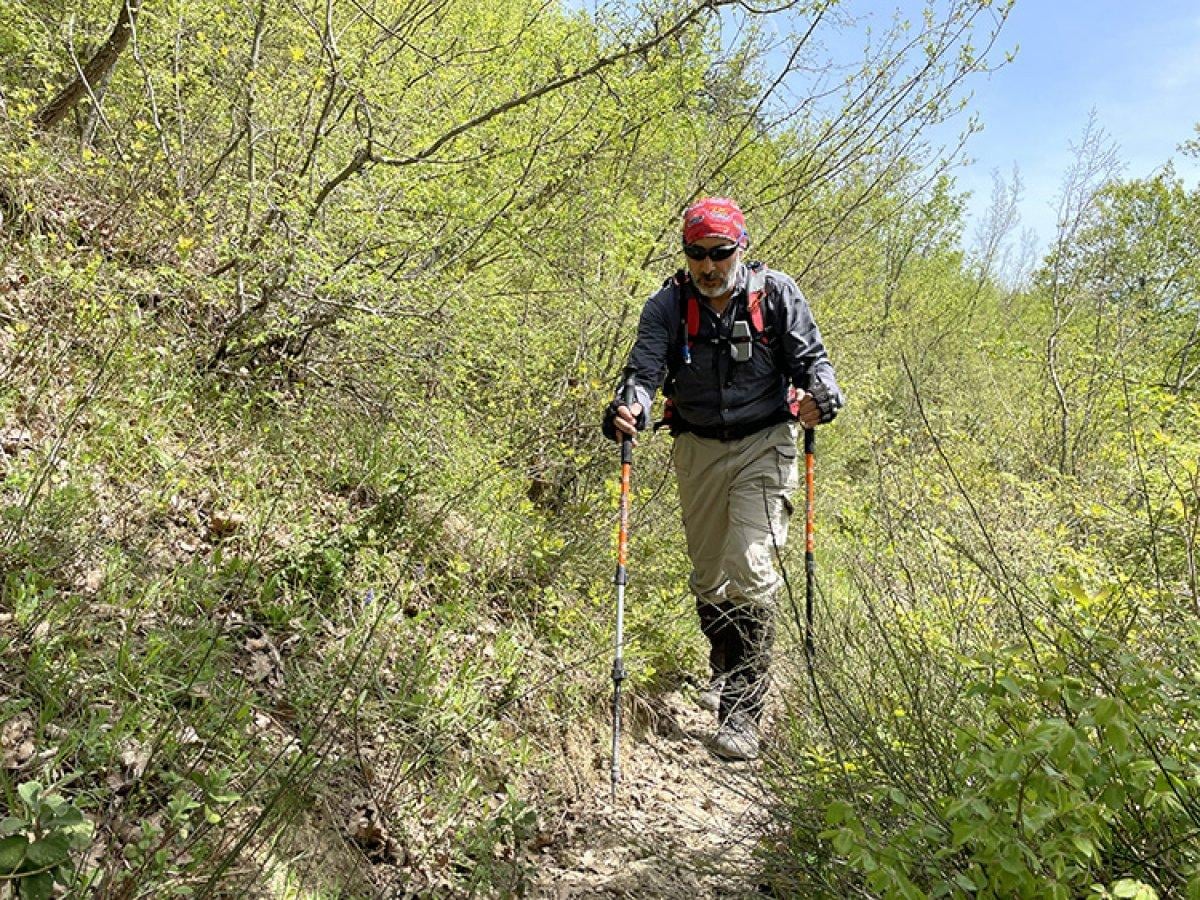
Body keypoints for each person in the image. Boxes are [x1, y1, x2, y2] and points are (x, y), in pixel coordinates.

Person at [602, 196, 844, 761]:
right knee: (709, 574)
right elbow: (644, 372)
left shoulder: (778, 294)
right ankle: (726, 659)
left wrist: (823, 397)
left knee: (750, 564)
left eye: (720, 253)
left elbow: (814, 363)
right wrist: (628, 408)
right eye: (697, 254)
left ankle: (743, 710)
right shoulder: (667, 305)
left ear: (741, 249)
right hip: (698, 446)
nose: (708, 266)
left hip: (766, 442)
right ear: (685, 253)